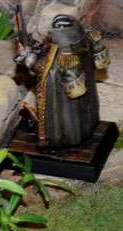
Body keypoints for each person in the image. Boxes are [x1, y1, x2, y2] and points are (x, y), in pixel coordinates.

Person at [15, 14, 110, 150]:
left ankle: (64, 139)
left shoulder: (64, 54)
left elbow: (44, 68)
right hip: (82, 89)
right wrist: (34, 47)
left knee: (66, 118)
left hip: (62, 97)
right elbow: (48, 52)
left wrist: (27, 56)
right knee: (82, 112)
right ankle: (84, 129)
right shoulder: (84, 37)